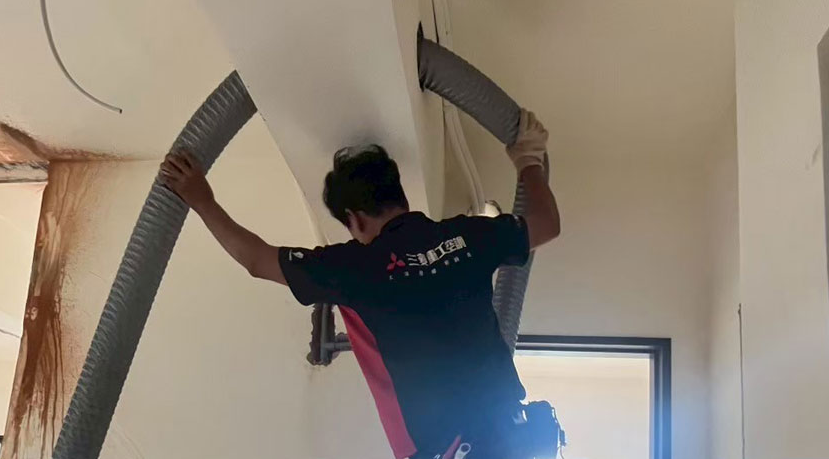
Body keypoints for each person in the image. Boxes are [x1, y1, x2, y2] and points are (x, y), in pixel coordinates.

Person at [160, 109, 560, 459]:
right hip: (515, 437)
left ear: (354, 219)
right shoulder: (469, 235)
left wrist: (202, 200)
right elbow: (546, 224)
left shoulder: (354, 265)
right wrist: (528, 160)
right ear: (400, 196)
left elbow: (256, 260)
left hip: (455, 448)